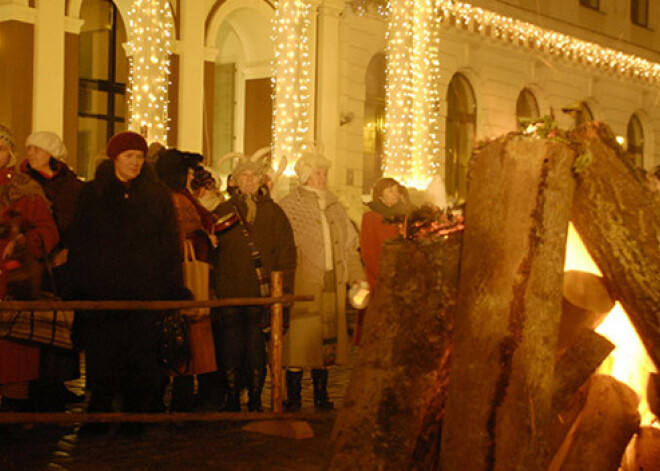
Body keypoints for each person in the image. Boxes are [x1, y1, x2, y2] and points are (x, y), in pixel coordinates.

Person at [66, 131, 189, 436]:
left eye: (139, 157)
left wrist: (172, 288)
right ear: (114, 158)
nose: (135, 162)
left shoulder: (155, 195)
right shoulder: (94, 193)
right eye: (128, 156)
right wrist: (79, 284)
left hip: (144, 290)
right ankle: (100, 414)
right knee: (103, 357)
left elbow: (168, 245)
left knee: (141, 357)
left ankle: (135, 417)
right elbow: (80, 242)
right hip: (103, 292)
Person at [278, 149, 366, 411]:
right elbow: (284, 246)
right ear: (305, 176)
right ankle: (293, 397)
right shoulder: (290, 205)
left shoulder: (335, 206)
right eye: (318, 173)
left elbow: (350, 246)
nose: (323, 177)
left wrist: (357, 278)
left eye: (325, 172)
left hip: (332, 280)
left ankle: (321, 394)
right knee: (299, 341)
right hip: (303, 281)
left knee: (326, 338)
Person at [213, 153, 296, 412]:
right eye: (244, 177)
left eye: (253, 176)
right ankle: (232, 396)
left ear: (261, 180)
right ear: (235, 181)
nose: (249, 181)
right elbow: (212, 251)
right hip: (229, 289)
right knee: (230, 344)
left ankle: (257, 396)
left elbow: (286, 253)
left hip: (262, 292)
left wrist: (283, 290)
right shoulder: (222, 211)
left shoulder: (274, 212)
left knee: (256, 345)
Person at [20, 131, 85, 406]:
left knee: (62, 321)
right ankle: (35, 382)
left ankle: (58, 381)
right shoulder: (23, 184)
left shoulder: (71, 185)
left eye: (37, 148)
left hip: (64, 264)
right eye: (29, 148)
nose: (31, 153)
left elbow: (82, 222)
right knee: (35, 322)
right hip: (33, 265)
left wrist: (70, 250)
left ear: (51, 154)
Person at [0, 125, 60, 413]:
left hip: (14, 279)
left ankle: (15, 408)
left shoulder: (26, 189)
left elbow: (49, 231)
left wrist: (25, 242)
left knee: (14, 350)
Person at [155, 149, 217, 412]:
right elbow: (185, 236)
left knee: (183, 333)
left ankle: (180, 393)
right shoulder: (175, 199)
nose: (191, 176)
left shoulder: (177, 196)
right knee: (182, 333)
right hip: (183, 278)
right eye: (188, 171)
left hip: (183, 276)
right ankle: (180, 396)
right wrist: (206, 236)